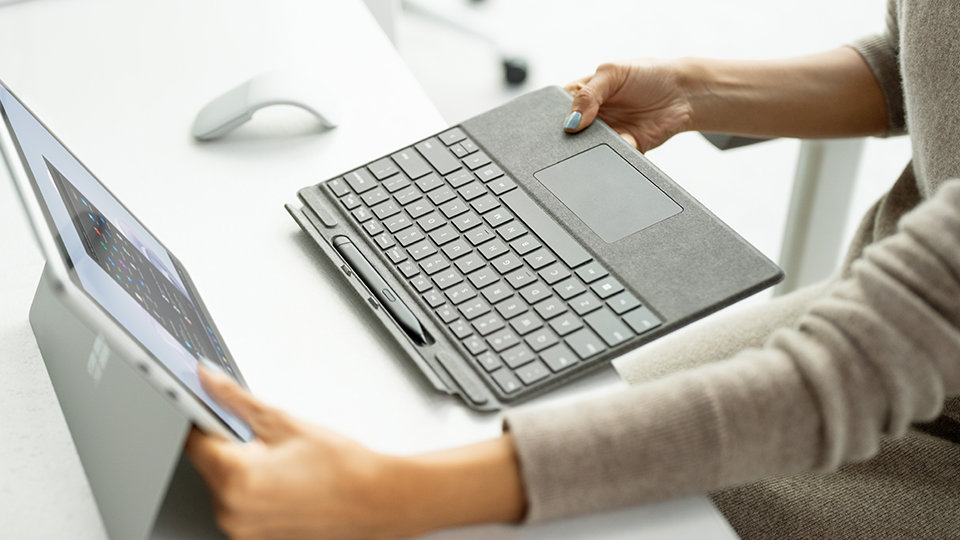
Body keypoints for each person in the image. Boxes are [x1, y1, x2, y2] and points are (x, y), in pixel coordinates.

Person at [186, 0, 960, 537]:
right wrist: (694, 91)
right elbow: (920, 68)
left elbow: (838, 379)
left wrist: (395, 493)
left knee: (522, 504)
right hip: (897, 314)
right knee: (508, 414)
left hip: (916, 420)